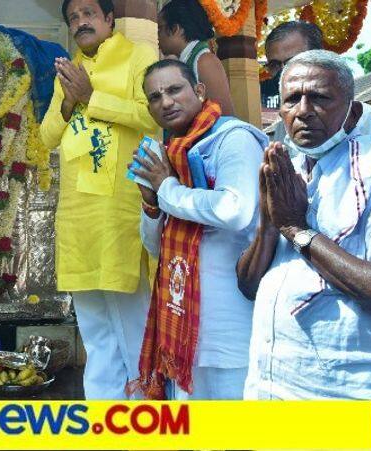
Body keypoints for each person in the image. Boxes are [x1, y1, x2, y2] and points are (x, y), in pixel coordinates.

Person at [237, 50, 371, 399]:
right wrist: (270, 223)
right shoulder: (286, 169)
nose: (302, 110)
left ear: (352, 113)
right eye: (291, 100)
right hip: (270, 384)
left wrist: (297, 230)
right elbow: (249, 285)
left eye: (319, 98)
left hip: (341, 393)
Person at [40, 0, 159, 399]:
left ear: (109, 19)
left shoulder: (138, 57)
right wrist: (70, 100)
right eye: (73, 18)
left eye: (88, 14)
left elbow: (153, 117)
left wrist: (94, 97)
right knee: (94, 327)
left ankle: (144, 410)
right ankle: (104, 412)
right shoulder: (68, 71)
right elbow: (46, 137)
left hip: (119, 206)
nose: (80, 23)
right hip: (77, 212)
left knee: (132, 320)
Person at [129, 60, 267, 399]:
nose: (165, 102)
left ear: (200, 91)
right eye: (155, 96)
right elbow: (155, 249)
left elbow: (235, 210)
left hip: (231, 324)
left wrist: (167, 189)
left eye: (174, 89)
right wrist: (151, 204)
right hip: (182, 325)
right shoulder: (171, 154)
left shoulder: (232, 139)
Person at [264, 21, 371, 143]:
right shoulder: (285, 125)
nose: (284, 71)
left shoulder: (365, 118)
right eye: (274, 65)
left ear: (319, 56)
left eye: (293, 61)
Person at [157, 0, 235, 116]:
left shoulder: (204, 61)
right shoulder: (186, 59)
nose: (157, 36)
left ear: (175, 29)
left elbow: (224, 119)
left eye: (160, 29)